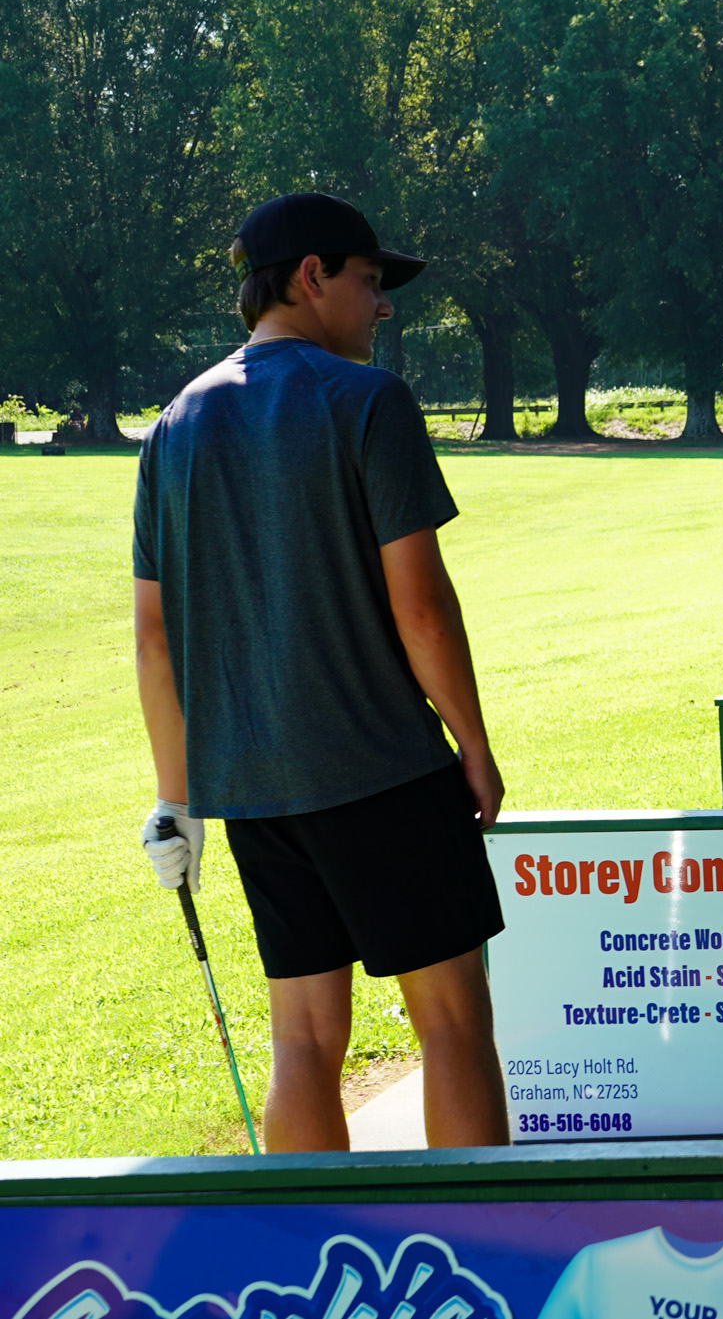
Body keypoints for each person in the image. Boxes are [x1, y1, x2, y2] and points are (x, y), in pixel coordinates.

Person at [133, 192, 511, 1153]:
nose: (382, 307)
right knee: (454, 1026)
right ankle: (482, 1269)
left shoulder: (174, 424)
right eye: (370, 282)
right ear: (312, 276)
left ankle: (318, 1266)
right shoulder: (368, 399)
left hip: (255, 794)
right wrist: (473, 743)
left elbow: (155, 638)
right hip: (384, 767)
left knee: (301, 1041)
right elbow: (419, 604)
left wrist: (175, 803)